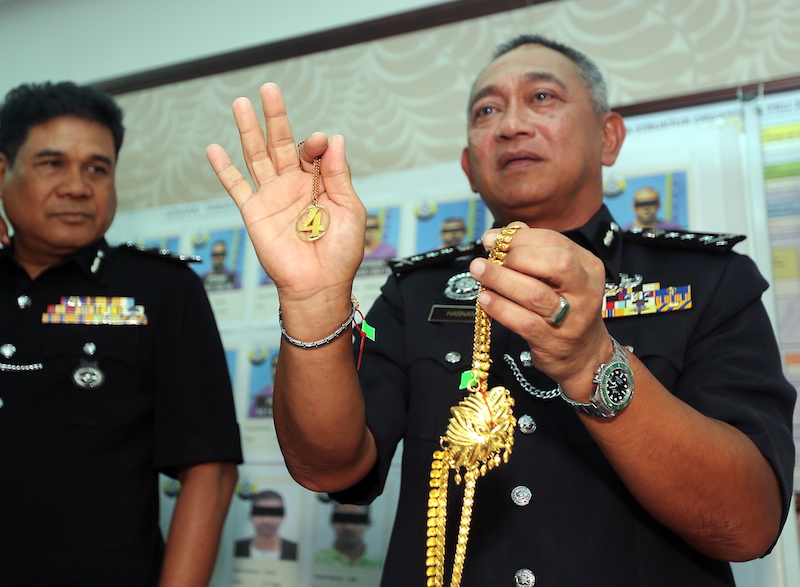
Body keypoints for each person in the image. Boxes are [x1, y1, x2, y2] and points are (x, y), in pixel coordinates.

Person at [207, 34, 795, 587]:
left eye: (542, 98)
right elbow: (328, 467)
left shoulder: (708, 279)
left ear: (608, 136)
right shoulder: (418, 290)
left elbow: (747, 525)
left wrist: (594, 363)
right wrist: (310, 300)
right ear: (468, 166)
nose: (511, 125)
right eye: (486, 112)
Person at [0, 81, 242, 586]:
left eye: (97, 167)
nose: (77, 186)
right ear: (3, 172)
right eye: (52, 163)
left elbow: (210, 470)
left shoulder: (160, 289)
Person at [234, 490, 298, 560]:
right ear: (250, 515)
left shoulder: (295, 551)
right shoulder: (236, 548)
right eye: (260, 513)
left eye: (274, 513)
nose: (267, 521)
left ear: (283, 515)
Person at [314, 503, 381, 568]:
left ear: (369, 523)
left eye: (356, 519)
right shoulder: (316, 560)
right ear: (332, 521)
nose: (348, 526)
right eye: (341, 518)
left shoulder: (379, 564)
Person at [249, 351, 279, 418]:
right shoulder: (262, 394)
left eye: (281, 365)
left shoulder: (294, 395)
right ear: (271, 369)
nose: (278, 368)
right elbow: (251, 419)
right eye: (275, 365)